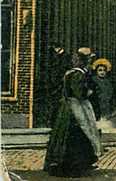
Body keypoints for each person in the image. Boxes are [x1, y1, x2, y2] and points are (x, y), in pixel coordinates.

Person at [43, 49, 102, 177]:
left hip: (67, 107)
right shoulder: (78, 74)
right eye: (89, 60)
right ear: (84, 61)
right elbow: (79, 93)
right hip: (76, 108)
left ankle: (73, 164)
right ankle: (74, 167)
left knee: (66, 136)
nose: (90, 63)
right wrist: (89, 92)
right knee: (80, 133)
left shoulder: (70, 73)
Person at [47, 44, 71, 127]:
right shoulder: (57, 56)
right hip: (56, 85)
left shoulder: (65, 57)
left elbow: (63, 70)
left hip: (60, 85)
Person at [91, 58, 113, 124]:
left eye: (104, 70)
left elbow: (110, 91)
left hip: (106, 103)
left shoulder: (107, 81)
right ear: (96, 71)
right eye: (100, 70)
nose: (102, 72)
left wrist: (107, 98)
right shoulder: (93, 80)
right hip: (97, 103)